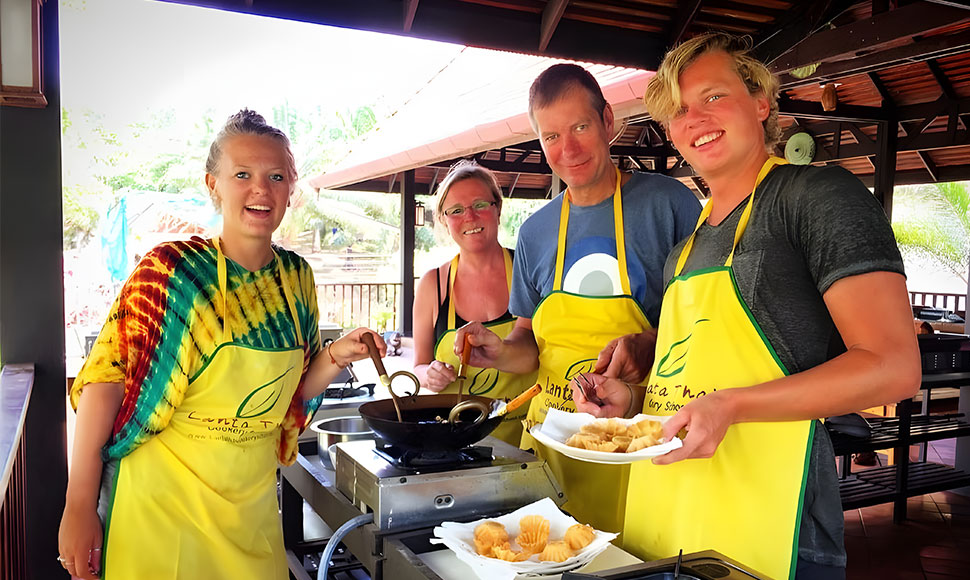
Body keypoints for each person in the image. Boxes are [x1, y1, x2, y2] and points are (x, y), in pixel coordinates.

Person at [572, 34, 920, 579]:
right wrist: (633, 398)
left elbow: (895, 366)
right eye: (680, 112)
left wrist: (731, 406)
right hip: (665, 517)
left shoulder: (815, 196)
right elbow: (694, 382)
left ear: (761, 101)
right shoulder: (685, 248)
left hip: (772, 523)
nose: (696, 119)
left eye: (713, 96)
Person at [57, 110, 386, 580]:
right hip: (159, 508)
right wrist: (79, 505)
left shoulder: (296, 279)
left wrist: (335, 356)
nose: (261, 189)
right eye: (242, 175)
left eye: (276, 176)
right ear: (213, 185)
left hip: (249, 511)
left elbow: (289, 393)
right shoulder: (171, 273)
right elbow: (105, 381)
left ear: (290, 190)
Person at [454, 64, 701, 535]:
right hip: (553, 443)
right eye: (550, 137)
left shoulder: (669, 205)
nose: (567, 149)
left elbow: (704, 319)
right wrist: (501, 350)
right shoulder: (536, 231)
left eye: (580, 127)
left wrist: (649, 341)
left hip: (642, 439)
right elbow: (529, 341)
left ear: (608, 121)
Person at [412, 160, 536, 445]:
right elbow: (418, 365)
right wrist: (429, 374)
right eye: (456, 210)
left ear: (498, 209)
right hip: (457, 444)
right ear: (444, 220)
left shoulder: (528, 270)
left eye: (480, 204)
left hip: (529, 441)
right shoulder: (434, 284)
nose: (469, 216)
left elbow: (541, 353)